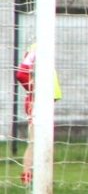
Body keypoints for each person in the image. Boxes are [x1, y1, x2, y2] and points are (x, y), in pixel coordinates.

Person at [14, 44, 63, 185]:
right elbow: (21, 74)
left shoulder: (45, 44)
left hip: (45, 102)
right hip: (37, 103)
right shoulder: (38, 46)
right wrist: (36, 91)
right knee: (36, 141)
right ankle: (30, 179)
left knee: (43, 142)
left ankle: (40, 178)